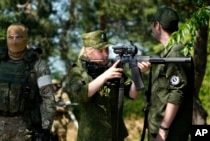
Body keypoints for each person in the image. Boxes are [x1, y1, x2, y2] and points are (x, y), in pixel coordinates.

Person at [0, 23, 56, 141]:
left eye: (18, 37)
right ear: (6, 39)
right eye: (11, 37)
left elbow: (48, 98)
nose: (14, 41)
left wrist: (46, 128)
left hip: (23, 128)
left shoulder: (38, 65)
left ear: (25, 39)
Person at [65, 30, 151, 141]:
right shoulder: (78, 71)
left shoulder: (113, 68)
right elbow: (80, 96)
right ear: (88, 52)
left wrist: (138, 73)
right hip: (92, 137)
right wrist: (104, 76)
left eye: (106, 50)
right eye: (100, 50)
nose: (105, 54)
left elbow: (133, 94)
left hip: (115, 134)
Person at [147, 6, 193, 141]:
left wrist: (164, 129)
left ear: (157, 25)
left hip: (171, 133)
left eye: (152, 24)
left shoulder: (175, 53)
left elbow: (177, 91)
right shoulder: (168, 53)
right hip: (162, 129)